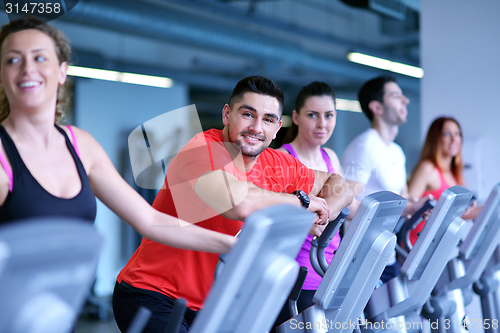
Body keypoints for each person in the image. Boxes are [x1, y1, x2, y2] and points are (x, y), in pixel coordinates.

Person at [113, 76, 352, 332]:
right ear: (227, 114)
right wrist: (302, 203)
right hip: (154, 293)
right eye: (248, 114)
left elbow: (339, 184)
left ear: (277, 128)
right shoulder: (202, 150)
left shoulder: (277, 164)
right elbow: (240, 203)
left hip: (214, 303)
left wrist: (322, 214)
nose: (256, 127)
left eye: (268, 119)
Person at [0, 17, 236, 265]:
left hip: (67, 301)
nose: (27, 68)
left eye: (39, 57)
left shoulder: (81, 145)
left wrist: (231, 244)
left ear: (61, 72)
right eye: (13, 60)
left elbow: (150, 220)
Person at [341, 74, 430, 282]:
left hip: (387, 252)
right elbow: (344, 203)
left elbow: (405, 198)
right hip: (361, 257)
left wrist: (423, 205)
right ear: (377, 108)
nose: (405, 100)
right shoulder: (364, 147)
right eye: (395, 95)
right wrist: (406, 207)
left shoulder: (396, 151)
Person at [272, 81, 342, 329]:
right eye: (313, 115)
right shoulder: (281, 157)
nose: (322, 124)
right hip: (296, 277)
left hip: (330, 272)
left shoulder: (330, 157)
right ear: (296, 117)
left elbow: (348, 204)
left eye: (329, 115)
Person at [407, 116, 480, 244]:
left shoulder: (453, 173)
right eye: (447, 133)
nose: (454, 139)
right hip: (417, 243)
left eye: (457, 133)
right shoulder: (427, 168)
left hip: (437, 242)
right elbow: (409, 208)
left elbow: (456, 214)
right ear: (436, 138)